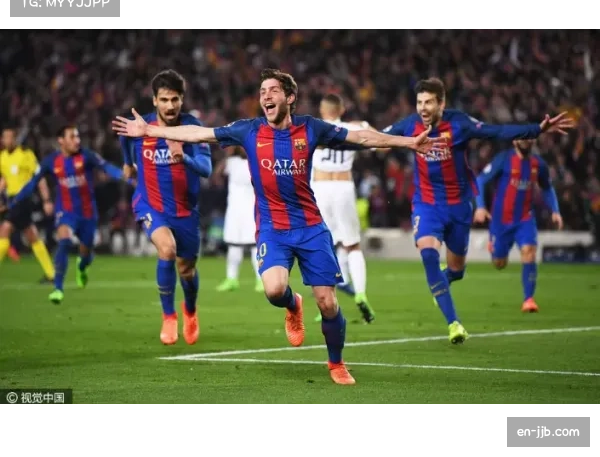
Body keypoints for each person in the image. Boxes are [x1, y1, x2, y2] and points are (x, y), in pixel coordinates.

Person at [113, 68, 439, 385]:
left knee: (328, 302)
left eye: (273, 91)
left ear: (290, 97)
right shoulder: (249, 130)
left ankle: (337, 363)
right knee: (273, 290)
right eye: (262, 92)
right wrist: (150, 131)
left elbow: (361, 137)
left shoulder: (311, 129)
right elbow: (200, 134)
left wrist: (408, 142)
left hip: (310, 227)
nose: (265, 96)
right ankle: (293, 304)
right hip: (272, 228)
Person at [382, 77, 573, 343]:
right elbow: (378, 137)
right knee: (428, 252)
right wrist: (344, 139)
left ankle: (445, 280)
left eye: (429, 102)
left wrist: (536, 129)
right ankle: (454, 324)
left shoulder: (459, 123)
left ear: (441, 103)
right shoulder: (409, 125)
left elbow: (497, 131)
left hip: (459, 207)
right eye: (419, 102)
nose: (423, 108)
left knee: (457, 269)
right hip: (427, 204)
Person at [119, 69, 212, 346]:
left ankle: (190, 311)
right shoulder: (141, 126)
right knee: (167, 249)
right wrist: (127, 162)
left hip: (185, 209)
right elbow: (124, 136)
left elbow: (206, 169)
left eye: (175, 99)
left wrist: (184, 158)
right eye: (164, 99)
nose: (170, 106)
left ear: (182, 99)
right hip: (150, 203)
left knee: (187, 270)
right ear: (154, 100)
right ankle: (169, 316)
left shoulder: (193, 128)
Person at [11, 125, 129, 303]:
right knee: (64, 241)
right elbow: (33, 183)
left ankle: (82, 267)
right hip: (65, 211)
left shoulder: (86, 156)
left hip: (88, 213)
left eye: (77, 136)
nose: (77, 140)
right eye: (72, 137)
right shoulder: (51, 161)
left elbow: (106, 167)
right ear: (61, 141)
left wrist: (124, 176)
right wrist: (16, 200)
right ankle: (58, 288)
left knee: (85, 252)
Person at [474, 139, 563, 312]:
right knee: (499, 263)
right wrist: (481, 207)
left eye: (528, 137)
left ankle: (529, 299)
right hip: (501, 221)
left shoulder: (538, 164)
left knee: (529, 251)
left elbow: (546, 187)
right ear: (515, 141)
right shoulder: (504, 159)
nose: (525, 141)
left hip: (524, 218)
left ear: (533, 140)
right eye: (522, 137)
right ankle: (495, 247)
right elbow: (481, 180)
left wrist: (555, 210)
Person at [311, 93, 374, 324]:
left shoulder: (314, 128)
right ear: (342, 110)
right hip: (344, 186)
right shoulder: (352, 128)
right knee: (352, 245)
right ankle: (360, 293)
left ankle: (326, 303)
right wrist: (364, 124)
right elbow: (381, 145)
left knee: (323, 246)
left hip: (320, 188)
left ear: (322, 110)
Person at [0, 124, 55, 282]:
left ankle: (51, 274)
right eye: (5, 137)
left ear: (15, 138)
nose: (7, 140)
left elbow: (40, 178)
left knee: (5, 229)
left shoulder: (26, 155)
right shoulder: (2, 157)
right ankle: (51, 274)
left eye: (10, 137)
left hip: (23, 199)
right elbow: (5, 179)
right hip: (11, 199)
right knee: (32, 235)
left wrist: (46, 200)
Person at [214, 147, 264, 293]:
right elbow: (217, 176)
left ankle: (261, 280)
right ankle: (231, 279)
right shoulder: (231, 162)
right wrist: (226, 156)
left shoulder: (258, 162)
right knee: (233, 246)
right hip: (234, 211)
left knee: (256, 246)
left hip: (252, 210)